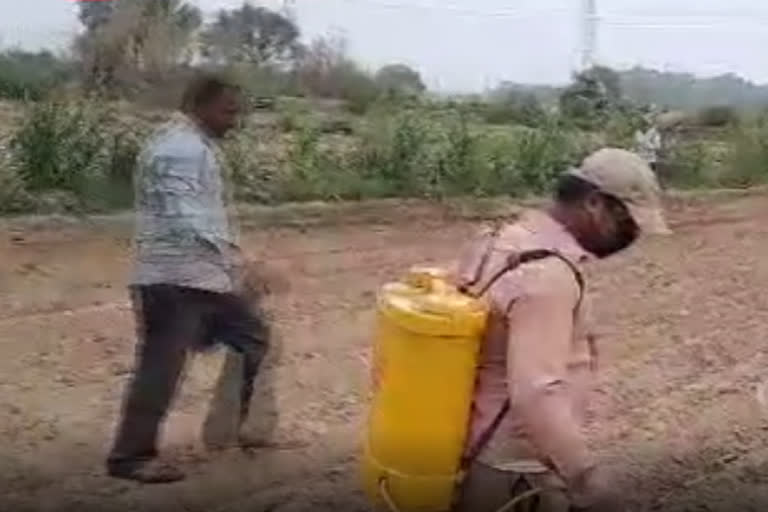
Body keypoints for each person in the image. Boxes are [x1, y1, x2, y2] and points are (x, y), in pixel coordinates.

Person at [453, 148, 670, 512]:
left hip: (473, 448)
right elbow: (537, 391)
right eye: (629, 222)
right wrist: (588, 481)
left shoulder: (500, 238)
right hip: (516, 473)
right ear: (595, 204)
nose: (632, 236)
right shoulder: (548, 274)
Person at [107, 73, 276, 484]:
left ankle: (240, 430)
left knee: (254, 338)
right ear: (199, 104)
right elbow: (190, 216)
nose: (234, 120)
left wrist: (230, 268)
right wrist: (240, 264)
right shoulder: (180, 149)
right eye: (228, 111)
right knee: (160, 367)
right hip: (175, 281)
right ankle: (129, 458)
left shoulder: (190, 144)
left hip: (201, 277)